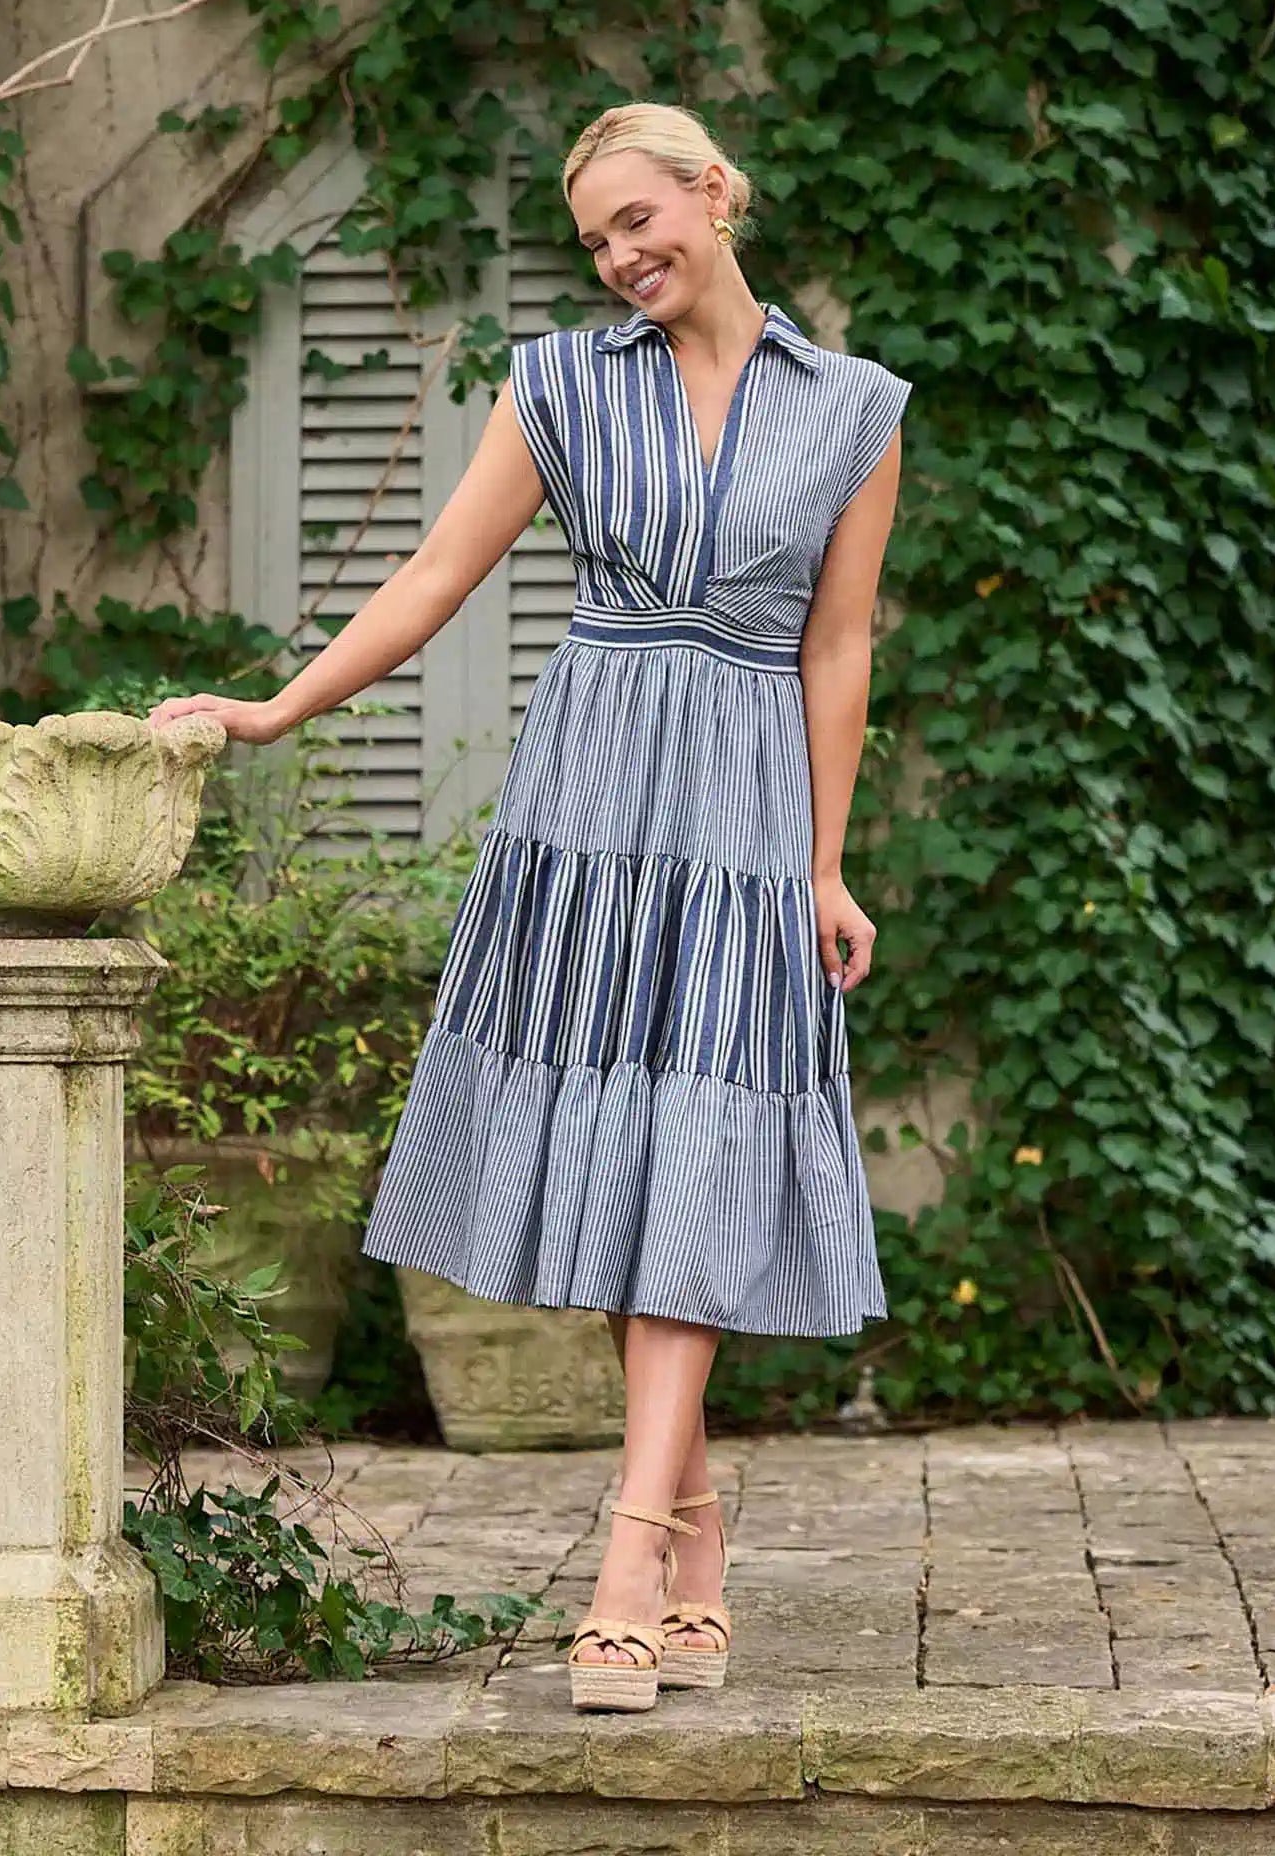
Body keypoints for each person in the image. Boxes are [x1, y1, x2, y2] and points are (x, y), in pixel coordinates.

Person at [147, 100, 911, 1715]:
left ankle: (632, 1547)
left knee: (699, 1131)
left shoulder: (852, 410)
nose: (623, 257)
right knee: (632, 1142)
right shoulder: (559, 384)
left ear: (714, 194)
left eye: (642, 220)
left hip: (746, 814)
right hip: (589, 807)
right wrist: (279, 712)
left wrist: (827, 863)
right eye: (595, 240)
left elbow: (836, 649)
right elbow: (438, 572)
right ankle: (692, 1537)